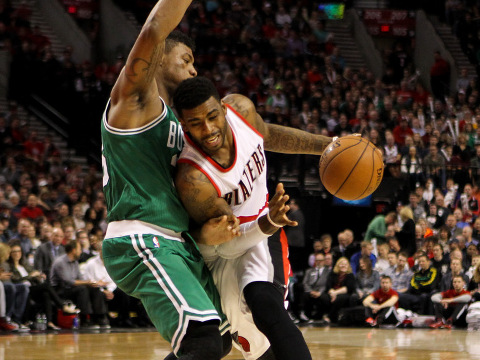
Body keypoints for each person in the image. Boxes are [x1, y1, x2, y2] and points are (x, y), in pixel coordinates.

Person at [100, 2, 239, 358]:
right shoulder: (132, 102)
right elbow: (152, 29)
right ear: (160, 55)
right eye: (187, 59)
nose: (194, 70)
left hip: (177, 241)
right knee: (202, 340)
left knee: (220, 341)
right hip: (142, 237)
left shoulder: (177, 122)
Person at [174, 76, 334, 359]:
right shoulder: (194, 178)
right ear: (184, 125)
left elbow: (269, 135)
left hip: (261, 238)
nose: (208, 129)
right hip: (224, 249)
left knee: (263, 302)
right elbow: (224, 244)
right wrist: (269, 222)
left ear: (224, 109)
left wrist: (330, 146)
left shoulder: (241, 110)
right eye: (196, 123)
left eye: (212, 116)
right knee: (223, 343)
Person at [50, 240, 109, 329]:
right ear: (73, 250)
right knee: (82, 289)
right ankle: (85, 319)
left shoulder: (75, 262)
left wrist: (92, 283)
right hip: (59, 290)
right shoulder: (60, 262)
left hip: (72, 288)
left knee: (94, 288)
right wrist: (87, 282)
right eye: (79, 249)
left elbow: (80, 279)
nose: (81, 251)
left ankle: (99, 317)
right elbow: (68, 281)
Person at [299, 253, 330, 322]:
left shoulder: (328, 272)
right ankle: (306, 316)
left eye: (321, 260)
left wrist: (319, 292)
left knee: (325, 297)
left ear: (324, 261)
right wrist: (311, 291)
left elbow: (327, 284)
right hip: (310, 291)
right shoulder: (309, 271)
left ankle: (322, 315)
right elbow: (305, 283)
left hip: (321, 292)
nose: (319, 262)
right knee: (304, 294)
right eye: (317, 260)